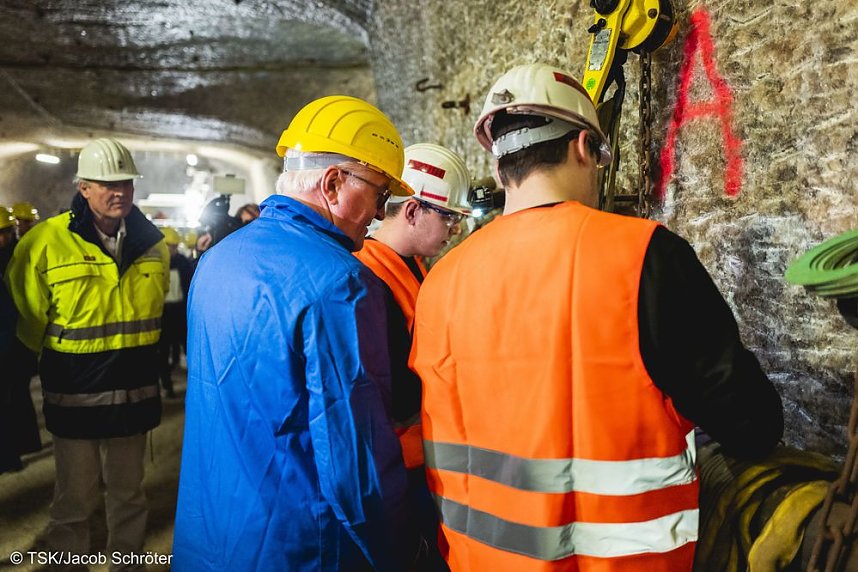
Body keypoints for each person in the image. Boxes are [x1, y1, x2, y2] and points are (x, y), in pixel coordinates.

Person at [409, 63, 784, 571]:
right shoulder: (645, 256)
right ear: (585, 147)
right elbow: (750, 425)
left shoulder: (439, 283)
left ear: (500, 169)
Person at [173, 95, 417, 571]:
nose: (380, 213)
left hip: (212, 536)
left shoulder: (218, 260)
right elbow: (356, 465)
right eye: (380, 194)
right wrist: (401, 549)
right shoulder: (341, 283)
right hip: (301, 547)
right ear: (332, 183)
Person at [4, 138, 169, 568]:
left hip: (134, 396)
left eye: (126, 183)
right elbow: (27, 318)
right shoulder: (43, 244)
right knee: (74, 500)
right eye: (106, 183)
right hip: (75, 396)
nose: (119, 192)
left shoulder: (154, 245)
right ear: (83, 188)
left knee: (129, 496)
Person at [354, 143, 471, 569]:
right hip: (399, 468)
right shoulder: (367, 277)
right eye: (449, 217)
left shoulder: (410, 264)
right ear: (412, 211)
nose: (454, 230)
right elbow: (391, 388)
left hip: (421, 458)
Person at [158, 227, 192, 398]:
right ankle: (167, 385)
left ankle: (193, 384)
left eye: (173, 246)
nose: (170, 250)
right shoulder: (154, 264)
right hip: (162, 316)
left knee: (188, 349)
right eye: (168, 246)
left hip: (180, 314)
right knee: (162, 354)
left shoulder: (183, 264)